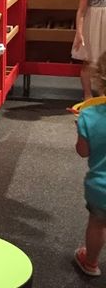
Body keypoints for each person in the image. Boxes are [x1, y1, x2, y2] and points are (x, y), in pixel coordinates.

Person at [74, 50, 106, 277]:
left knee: (97, 223)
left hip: (100, 188)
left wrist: (80, 128)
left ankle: (91, 263)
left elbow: (83, 152)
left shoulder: (89, 115)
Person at [72, 0, 106, 100]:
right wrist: (79, 33)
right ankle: (87, 93)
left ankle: (102, 93)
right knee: (89, 61)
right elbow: (81, 11)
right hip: (92, 28)